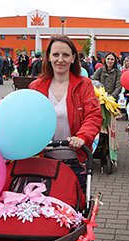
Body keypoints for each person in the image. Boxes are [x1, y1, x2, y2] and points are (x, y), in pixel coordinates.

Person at [29, 35, 103, 191]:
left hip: (76, 161)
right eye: (55, 54)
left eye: (65, 55)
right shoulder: (36, 87)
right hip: (46, 162)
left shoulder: (84, 84)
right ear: (48, 57)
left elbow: (93, 116)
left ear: (73, 58)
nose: (60, 59)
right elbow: (28, 119)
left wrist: (82, 137)